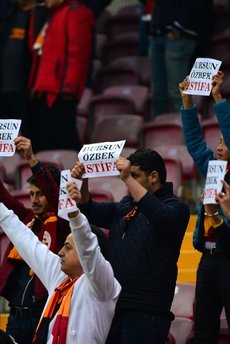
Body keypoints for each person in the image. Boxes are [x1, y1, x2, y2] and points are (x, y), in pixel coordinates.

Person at [70, 148, 190, 344]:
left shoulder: (176, 208)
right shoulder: (126, 204)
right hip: (113, 306)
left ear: (153, 177)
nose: (128, 181)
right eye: (128, 176)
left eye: (135, 175)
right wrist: (83, 181)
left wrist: (126, 178)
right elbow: (90, 210)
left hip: (147, 312)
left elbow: (159, 216)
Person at [0, 181, 121, 343]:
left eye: (68, 247)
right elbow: (23, 237)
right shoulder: (60, 278)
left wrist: (74, 214)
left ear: (86, 257)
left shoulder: (102, 286)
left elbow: (88, 246)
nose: (60, 252)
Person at [0, 136, 70, 344]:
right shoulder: (27, 218)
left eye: (40, 194)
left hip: (43, 313)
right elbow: (4, 198)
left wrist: (31, 160)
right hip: (16, 314)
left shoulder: (64, 223)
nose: (34, 200)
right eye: (31, 194)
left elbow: (57, 199)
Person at [179, 71, 230, 343]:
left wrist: (218, 98)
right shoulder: (215, 170)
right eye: (219, 141)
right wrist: (187, 102)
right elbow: (196, 143)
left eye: (223, 142)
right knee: (203, 332)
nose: (219, 146)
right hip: (207, 260)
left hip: (229, 257)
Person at [28, 0, 94, 152]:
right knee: (47, 141)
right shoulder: (53, 13)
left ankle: (74, 173)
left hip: (61, 91)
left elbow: (78, 53)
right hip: (45, 88)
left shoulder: (75, 11)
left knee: (64, 139)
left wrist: (69, 87)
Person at [149, 0, 213, 117]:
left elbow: (196, 5)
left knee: (178, 94)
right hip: (159, 33)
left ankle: (187, 132)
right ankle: (160, 131)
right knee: (158, 95)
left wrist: (178, 27)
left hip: (182, 36)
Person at [0, 0, 48, 135]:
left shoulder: (41, 15)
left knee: (27, 140)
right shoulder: (7, 13)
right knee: (5, 145)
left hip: (25, 91)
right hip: (4, 90)